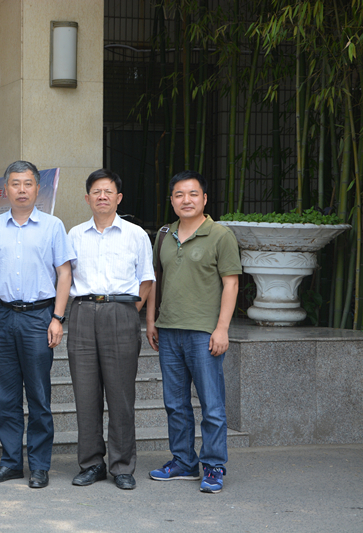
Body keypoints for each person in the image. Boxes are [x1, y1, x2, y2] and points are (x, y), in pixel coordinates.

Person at [0, 160, 75, 489]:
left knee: (39, 395)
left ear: (37, 188)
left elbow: (64, 273)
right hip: (1, 315)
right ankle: (11, 463)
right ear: (6, 189)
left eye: (27, 183)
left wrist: (57, 318)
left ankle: (40, 466)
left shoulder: (53, 226)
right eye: (15, 184)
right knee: (5, 396)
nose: (21, 190)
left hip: (38, 317)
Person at [146, 170, 241, 494]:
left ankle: (213, 465)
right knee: (175, 403)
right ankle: (184, 461)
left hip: (204, 333)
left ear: (204, 198)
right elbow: (155, 280)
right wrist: (151, 321)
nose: (186, 200)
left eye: (193, 194)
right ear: (172, 200)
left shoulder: (220, 235)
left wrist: (222, 329)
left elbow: (231, 284)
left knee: (212, 404)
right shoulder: (164, 235)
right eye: (179, 195)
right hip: (169, 331)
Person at [67, 169, 155, 491]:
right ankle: (91, 463)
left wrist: (129, 313)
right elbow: (64, 277)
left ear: (118, 198)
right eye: (96, 191)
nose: (102, 196)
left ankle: (122, 465)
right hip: (82, 312)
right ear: (87, 198)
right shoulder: (75, 234)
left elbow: (147, 279)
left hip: (121, 311)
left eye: (108, 191)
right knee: (85, 394)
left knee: (121, 395)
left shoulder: (135, 234)